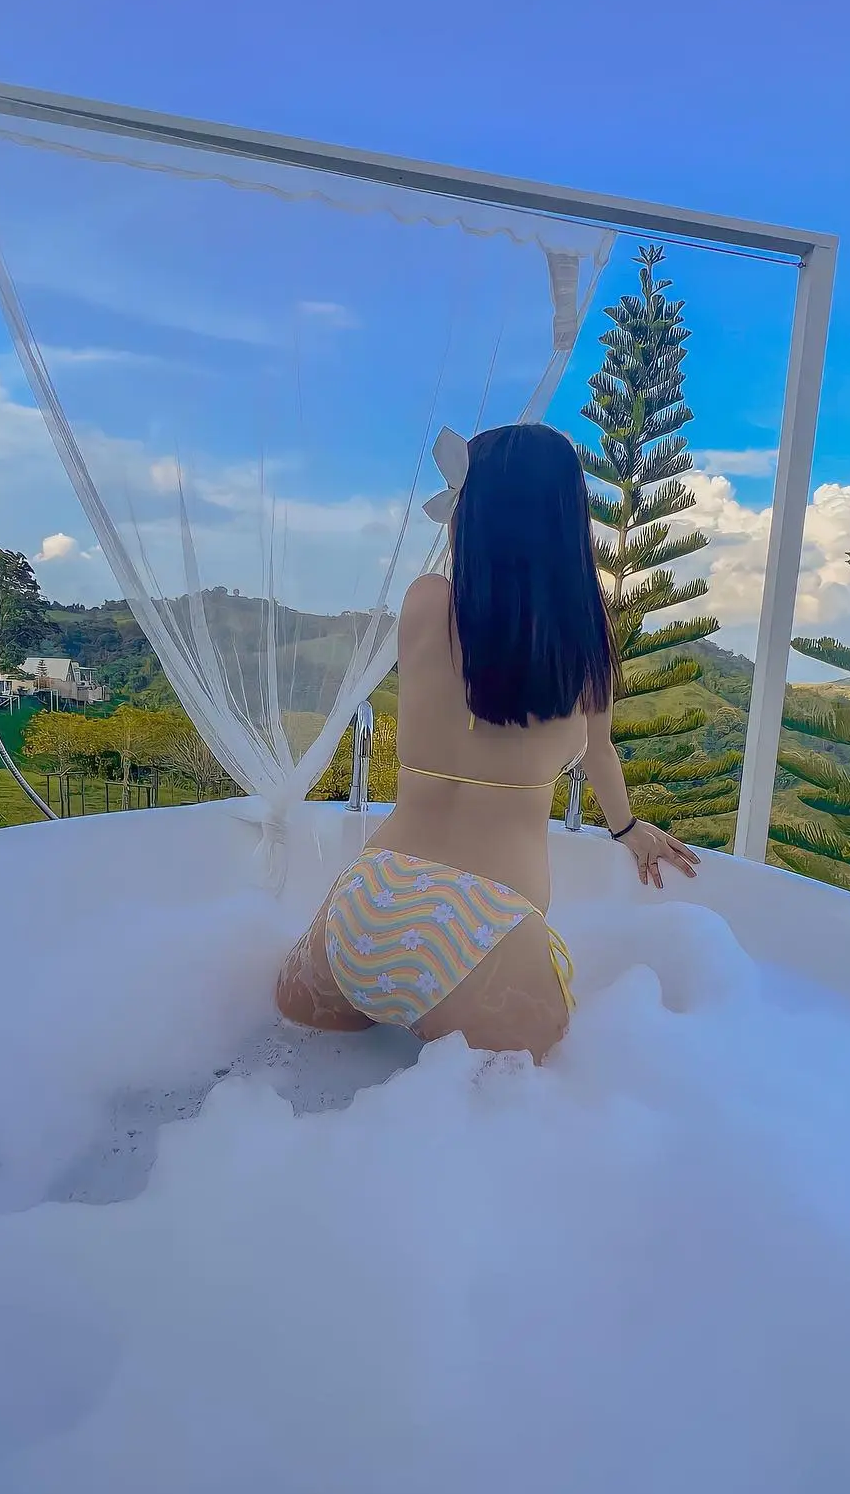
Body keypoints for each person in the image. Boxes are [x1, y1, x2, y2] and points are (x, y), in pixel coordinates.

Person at [275, 422, 699, 1061]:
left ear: (468, 513)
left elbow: (475, 623)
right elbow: (598, 749)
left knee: (296, 1059)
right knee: (545, 1088)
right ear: (566, 523)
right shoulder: (583, 641)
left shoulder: (424, 602)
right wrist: (627, 828)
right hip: (488, 933)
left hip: (367, 904)